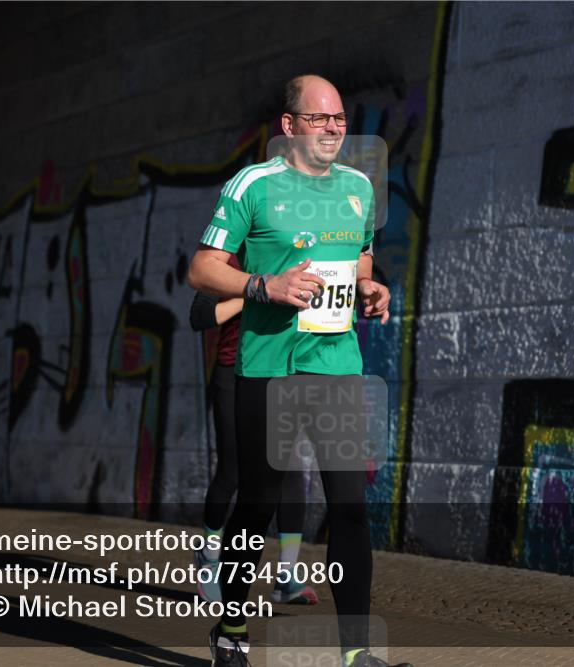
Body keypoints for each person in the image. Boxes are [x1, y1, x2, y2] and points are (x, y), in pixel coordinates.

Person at [188, 74, 410, 667]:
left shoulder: (359, 188)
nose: (333, 129)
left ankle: (358, 652)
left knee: (350, 509)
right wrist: (264, 285)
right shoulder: (253, 186)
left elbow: (360, 260)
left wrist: (370, 289)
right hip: (269, 370)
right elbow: (203, 270)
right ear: (289, 127)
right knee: (257, 506)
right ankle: (231, 631)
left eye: (339, 119)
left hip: (337, 367)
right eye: (320, 119)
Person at [189, 255, 319, 606]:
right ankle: (209, 558)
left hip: (282, 370)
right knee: (232, 471)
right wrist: (259, 290)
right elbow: (200, 316)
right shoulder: (229, 257)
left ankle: (287, 576)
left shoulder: (295, 252)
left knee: (289, 470)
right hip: (234, 371)